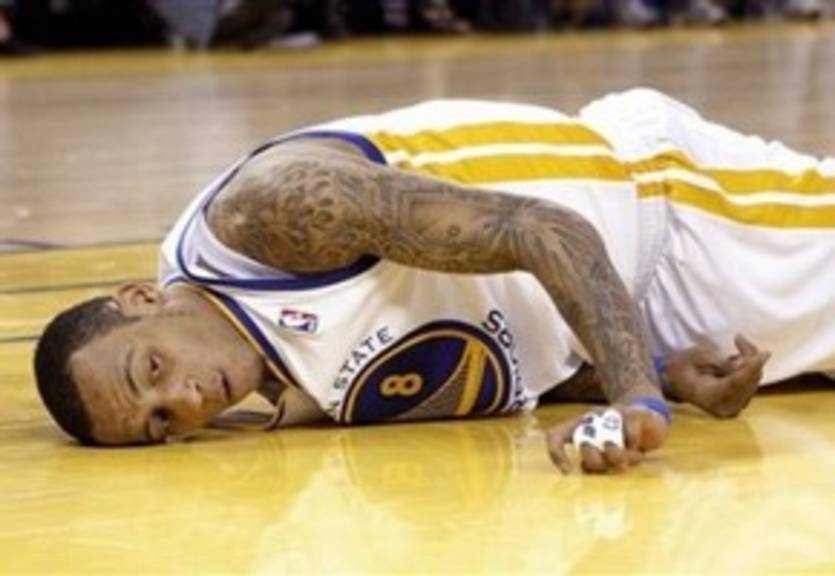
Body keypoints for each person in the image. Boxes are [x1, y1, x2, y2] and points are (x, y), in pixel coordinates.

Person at [33, 88, 833, 474]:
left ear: (138, 299)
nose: (184, 401)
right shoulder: (268, 399)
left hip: (666, 210)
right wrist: (659, 372)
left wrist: (636, 399)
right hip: (617, 314)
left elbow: (547, 231)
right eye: (161, 422)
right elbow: (495, 352)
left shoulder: (272, 216)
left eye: (151, 370)